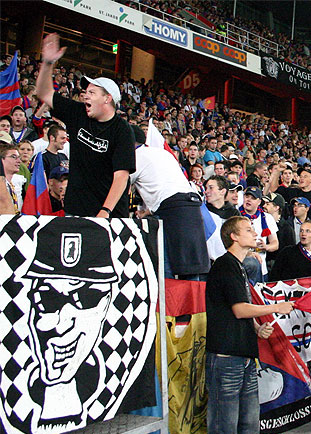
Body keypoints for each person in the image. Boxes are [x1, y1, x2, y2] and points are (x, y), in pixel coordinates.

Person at [206, 216, 293, 434]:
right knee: (224, 431)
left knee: (248, 427)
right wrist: (276, 307)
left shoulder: (239, 267)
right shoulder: (225, 265)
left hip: (244, 356)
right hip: (227, 358)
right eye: (248, 230)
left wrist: (257, 328)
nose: (255, 233)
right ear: (233, 236)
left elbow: (235, 307)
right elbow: (240, 309)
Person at [36, 33, 135, 218]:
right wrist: (47, 63)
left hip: (109, 215)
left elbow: (121, 176)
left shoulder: (122, 130)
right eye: (86, 92)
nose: (85, 96)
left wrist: (105, 211)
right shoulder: (78, 112)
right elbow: (44, 93)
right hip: (76, 211)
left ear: (107, 98)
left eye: (92, 92)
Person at [129, 125, 210, 279]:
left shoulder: (135, 157)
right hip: (192, 207)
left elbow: (121, 185)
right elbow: (167, 187)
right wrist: (146, 211)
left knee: (166, 269)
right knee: (190, 270)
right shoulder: (163, 153)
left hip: (172, 211)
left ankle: (169, 295)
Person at [238, 186, 279, 283]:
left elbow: (275, 244)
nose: (248, 200)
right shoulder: (236, 215)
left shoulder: (267, 218)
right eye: (247, 196)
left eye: (253, 198)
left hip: (261, 269)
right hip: (240, 267)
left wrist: (266, 247)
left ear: (259, 202)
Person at [263, 192, 294, 267]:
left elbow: (289, 253)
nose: (264, 206)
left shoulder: (286, 229)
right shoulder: (260, 222)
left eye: (267, 204)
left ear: (276, 207)